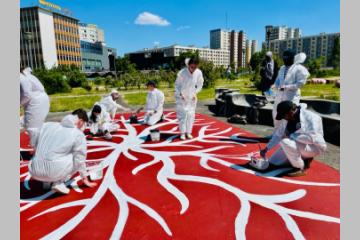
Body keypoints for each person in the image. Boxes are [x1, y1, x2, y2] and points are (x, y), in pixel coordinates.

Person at [28, 109, 97, 194]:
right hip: (53, 172)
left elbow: (35, 137)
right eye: (84, 124)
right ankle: (58, 183)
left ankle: (46, 182)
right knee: (75, 156)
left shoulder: (48, 125)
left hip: (34, 170)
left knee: (48, 149)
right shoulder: (77, 134)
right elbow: (80, 159)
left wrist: (34, 148)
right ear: (81, 121)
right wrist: (85, 179)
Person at [260, 101, 327, 177]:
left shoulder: (311, 117)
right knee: (273, 162)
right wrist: (266, 148)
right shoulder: (287, 118)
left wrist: (291, 135)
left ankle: (300, 168)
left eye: (284, 115)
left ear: (291, 111)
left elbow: (311, 138)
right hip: (298, 143)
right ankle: (304, 158)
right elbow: (278, 134)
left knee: (285, 142)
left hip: (314, 147)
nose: (283, 118)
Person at [272, 50, 310, 128]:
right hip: (280, 95)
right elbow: (278, 79)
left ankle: (286, 134)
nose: (285, 59)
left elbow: (300, 83)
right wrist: (275, 85)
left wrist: (287, 87)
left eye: (287, 58)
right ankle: (276, 133)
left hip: (291, 96)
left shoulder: (299, 68)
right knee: (276, 113)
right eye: (284, 58)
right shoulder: (282, 68)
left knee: (288, 116)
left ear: (292, 58)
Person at [175, 57, 204, 140]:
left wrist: (196, 93)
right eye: (192, 67)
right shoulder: (182, 73)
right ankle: (182, 133)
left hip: (192, 97)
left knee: (191, 115)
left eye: (195, 67)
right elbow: (177, 85)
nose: (193, 69)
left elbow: (200, 84)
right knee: (182, 115)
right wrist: (180, 94)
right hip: (182, 97)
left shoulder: (198, 72)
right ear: (188, 65)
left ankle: (188, 132)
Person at [20, 67, 50, 144]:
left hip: (36, 103)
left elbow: (27, 94)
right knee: (32, 126)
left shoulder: (21, 77)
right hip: (39, 101)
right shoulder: (28, 76)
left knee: (32, 128)